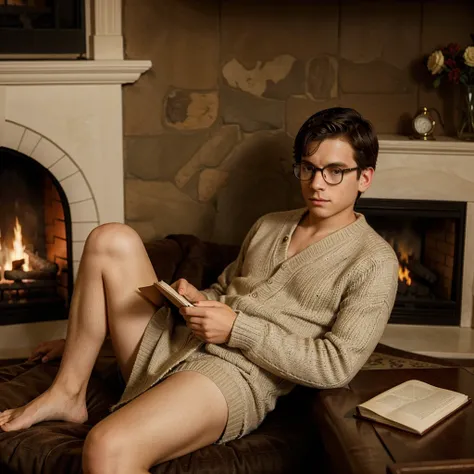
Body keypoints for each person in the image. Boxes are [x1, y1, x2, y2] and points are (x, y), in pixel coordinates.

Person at [0, 107, 399, 474]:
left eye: (334, 171)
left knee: (107, 446)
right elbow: (225, 288)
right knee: (109, 238)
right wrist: (196, 298)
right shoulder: (271, 224)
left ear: (364, 177)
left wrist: (237, 329)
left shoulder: (374, 262)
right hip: (179, 340)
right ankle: (68, 391)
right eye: (308, 168)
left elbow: (336, 366)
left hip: (234, 377)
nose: (317, 183)